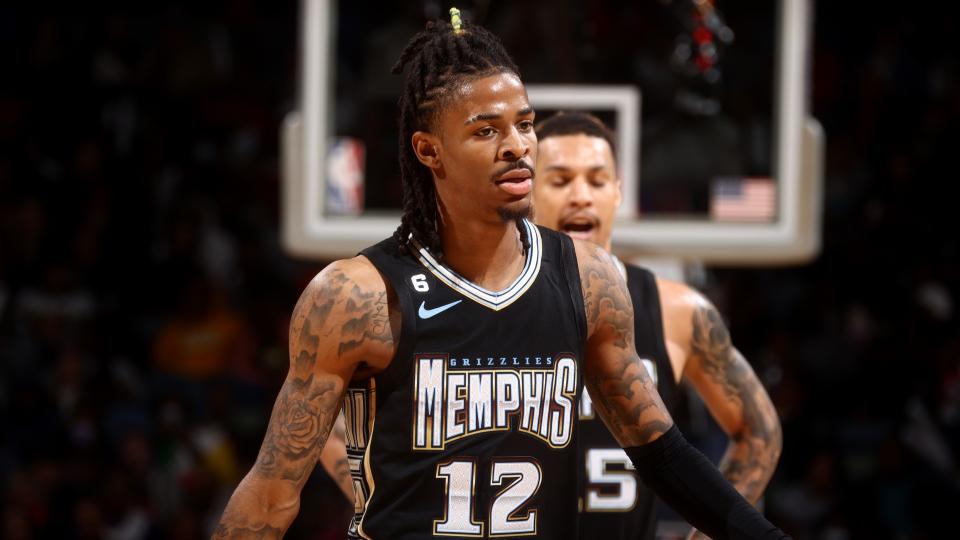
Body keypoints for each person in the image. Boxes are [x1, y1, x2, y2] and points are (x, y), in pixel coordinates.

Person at [213, 11, 788, 539]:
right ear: (429, 151)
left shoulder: (588, 278)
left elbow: (665, 457)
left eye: (525, 124)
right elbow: (271, 494)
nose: (517, 147)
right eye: (486, 131)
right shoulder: (356, 294)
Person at [532, 111, 783, 540]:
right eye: (560, 180)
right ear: (527, 192)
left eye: (597, 180)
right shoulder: (492, 303)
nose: (581, 196)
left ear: (618, 192)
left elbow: (759, 431)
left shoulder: (676, 309)